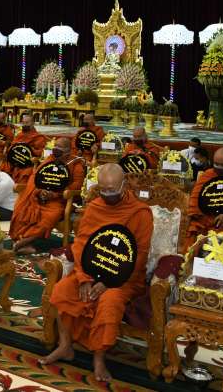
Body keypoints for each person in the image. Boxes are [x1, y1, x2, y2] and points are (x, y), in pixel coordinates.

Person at [39, 164, 151, 382]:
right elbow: (81, 244)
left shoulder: (140, 212)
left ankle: (99, 359)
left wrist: (109, 282)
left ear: (124, 185)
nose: (107, 195)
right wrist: (84, 278)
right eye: (103, 190)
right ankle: (65, 346)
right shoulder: (94, 207)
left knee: (109, 302)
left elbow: (140, 255)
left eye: (112, 190)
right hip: (90, 270)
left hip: (123, 278)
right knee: (62, 289)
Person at [9, 138, 86, 255]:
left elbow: (76, 186)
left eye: (60, 148)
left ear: (68, 151)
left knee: (50, 216)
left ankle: (23, 242)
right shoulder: (49, 160)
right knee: (22, 207)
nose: (56, 149)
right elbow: (36, 178)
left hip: (59, 200)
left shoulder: (76, 165)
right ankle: (24, 243)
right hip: (39, 196)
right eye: (55, 146)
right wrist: (40, 192)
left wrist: (54, 194)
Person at [188, 148, 223, 242]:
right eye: (216, 164)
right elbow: (195, 200)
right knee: (189, 240)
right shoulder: (208, 174)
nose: (219, 168)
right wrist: (200, 216)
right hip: (204, 220)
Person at [3, 114, 48, 184]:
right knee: (5, 165)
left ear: (33, 123)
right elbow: (12, 147)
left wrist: (29, 149)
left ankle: (20, 187)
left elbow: (40, 152)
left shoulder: (38, 137)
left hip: (28, 162)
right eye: (23, 123)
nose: (24, 125)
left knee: (26, 172)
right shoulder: (20, 135)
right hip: (15, 159)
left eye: (27, 123)